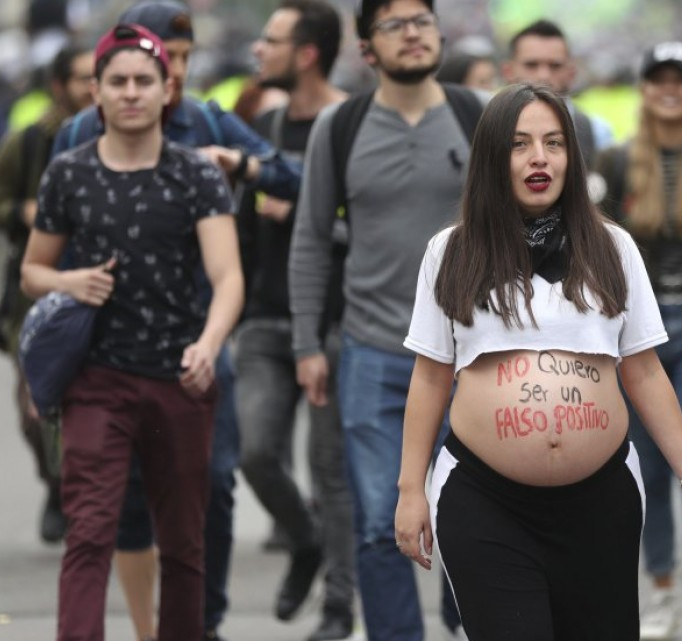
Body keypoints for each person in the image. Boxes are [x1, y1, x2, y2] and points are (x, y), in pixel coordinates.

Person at [394, 81, 682, 641]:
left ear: (572, 155)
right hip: (484, 500)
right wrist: (409, 492)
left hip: (602, 502)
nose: (539, 157)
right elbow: (429, 377)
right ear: (494, 157)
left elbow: (643, 371)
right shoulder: (451, 251)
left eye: (553, 143)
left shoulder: (612, 247)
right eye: (519, 144)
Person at [48, 2, 299, 639]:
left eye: (181, 61)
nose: (172, 74)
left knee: (211, 487)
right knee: (113, 511)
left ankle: (201, 624)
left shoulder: (206, 126)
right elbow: (46, 255)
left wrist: (238, 165)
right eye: (165, 57)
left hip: (198, 346)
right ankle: (141, 627)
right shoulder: (80, 138)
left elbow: (294, 176)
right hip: (103, 356)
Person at [20, 24, 243, 641]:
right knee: (88, 534)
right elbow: (32, 271)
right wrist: (70, 283)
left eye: (144, 81)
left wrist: (210, 343)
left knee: (183, 543)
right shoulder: (68, 174)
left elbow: (228, 278)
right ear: (95, 92)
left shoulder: (196, 176)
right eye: (116, 82)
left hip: (179, 379)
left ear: (168, 89)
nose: (131, 93)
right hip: (97, 381)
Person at [288, 0, 487, 638]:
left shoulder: (477, 117)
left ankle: (474, 623)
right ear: (367, 48)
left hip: (474, 352)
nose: (412, 34)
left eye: (421, 21)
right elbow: (312, 239)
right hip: (373, 352)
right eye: (394, 25)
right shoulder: (338, 127)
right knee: (379, 520)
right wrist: (306, 343)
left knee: (475, 521)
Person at [594, 41, 682, 641]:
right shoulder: (618, 161)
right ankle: (661, 591)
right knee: (645, 469)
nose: (669, 88)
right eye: (657, 79)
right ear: (644, 90)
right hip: (635, 334)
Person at [235, 2, 356, 640]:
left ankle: (339, 608)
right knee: (254, 452)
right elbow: (238, 223)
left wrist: (311, 221)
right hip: (262, 319)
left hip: (334, 323)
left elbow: (372, 227)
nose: (258, 50)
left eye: (272, 40)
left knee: (331, 471)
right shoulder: (265, 120)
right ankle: (304, 542)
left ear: (306, 52)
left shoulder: (348, 124)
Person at [0, 42, 94, 545]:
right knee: (35, 413)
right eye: (82, 80)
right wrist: (25, 214)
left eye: (99, 78)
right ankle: (55, 485)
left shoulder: (126, 135)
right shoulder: (29, 143)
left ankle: (96, 504)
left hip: (103, 297)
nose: (93, 90)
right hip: (37, 304)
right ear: (58, 86)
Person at [502, 19, 614, 167]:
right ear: (508, 71)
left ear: (571, 73)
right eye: (531, 65)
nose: (543, 75)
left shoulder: (597, 133)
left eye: (555, 66)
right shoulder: (483, 125)